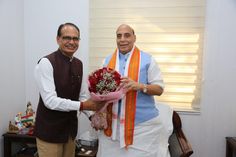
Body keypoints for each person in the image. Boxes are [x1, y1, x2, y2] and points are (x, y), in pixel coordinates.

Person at [96, 24, 170, 157]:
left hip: (142, 128)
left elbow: (159, 89)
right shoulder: (106, 61)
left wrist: (139, 86)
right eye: (119, 36)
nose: (122, 39)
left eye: (127, 35)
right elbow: (100, 91)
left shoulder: (148, 60)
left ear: (134, 38)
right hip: (112, 127)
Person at [34, 23, 104, 157]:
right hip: (50, 133)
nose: (72, 42)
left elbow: (83, 95)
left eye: (75, 38)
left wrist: (92, 116)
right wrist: (83, 105)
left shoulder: (79, 64)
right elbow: (50, 101)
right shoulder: (46, 63)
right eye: (67, 38)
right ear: (58, 39)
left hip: (70, 132)